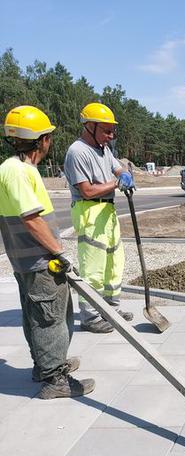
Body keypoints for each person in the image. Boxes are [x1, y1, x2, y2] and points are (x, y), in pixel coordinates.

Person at [0, 105, 95, 399]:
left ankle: (47, 365)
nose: (50, 142)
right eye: (48, 136)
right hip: (40, 261)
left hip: (27, 260)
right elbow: (31, 218)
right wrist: (58, 252)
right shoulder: (17, 171)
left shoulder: (12, 168)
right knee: (49, 318)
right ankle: (54, 379)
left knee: (37, 315)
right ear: (40, 140)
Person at [64, 103, 135, 334]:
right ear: (90, 126)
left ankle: (110, 308)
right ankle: (90, 316)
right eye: (106, 130)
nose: (111, 135)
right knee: (93, 267)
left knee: (114, 263)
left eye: (112, 131)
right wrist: (116, 183)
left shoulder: (104, 149)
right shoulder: (78, 152)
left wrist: (124, 174)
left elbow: (118, 168)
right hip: (89, 211)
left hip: (107, 211)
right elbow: (87, 190)